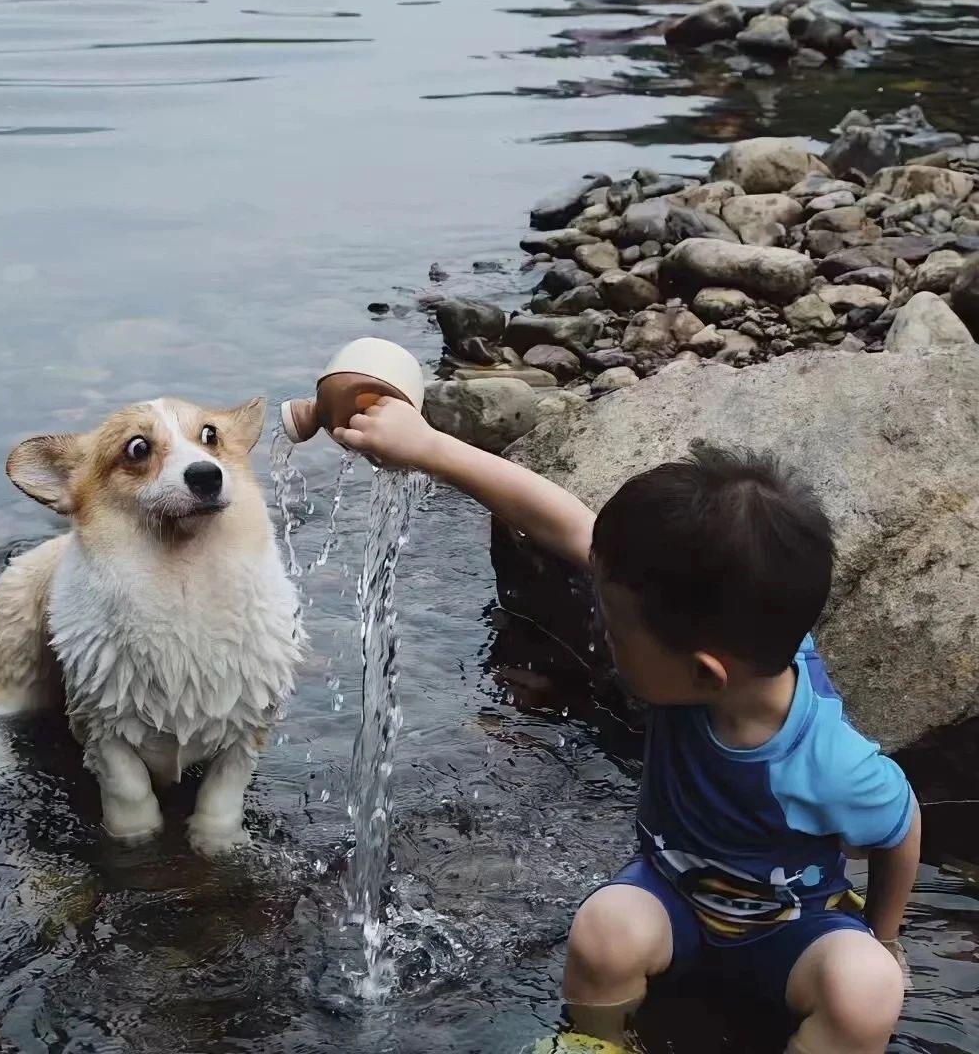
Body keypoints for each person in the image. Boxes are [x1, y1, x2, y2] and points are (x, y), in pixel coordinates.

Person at [334, 398, 920, 1054]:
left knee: (868, 989)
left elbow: (900, 827)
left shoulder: (829, 763)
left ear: (705, 675)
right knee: (603, 929)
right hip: (673, 904)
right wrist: (428, 448)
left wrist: (885, 934)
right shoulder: (733, 635)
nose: (604, 639)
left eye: (616, 632)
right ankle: (597, 1042)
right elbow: (559, 521)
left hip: (794, 932)